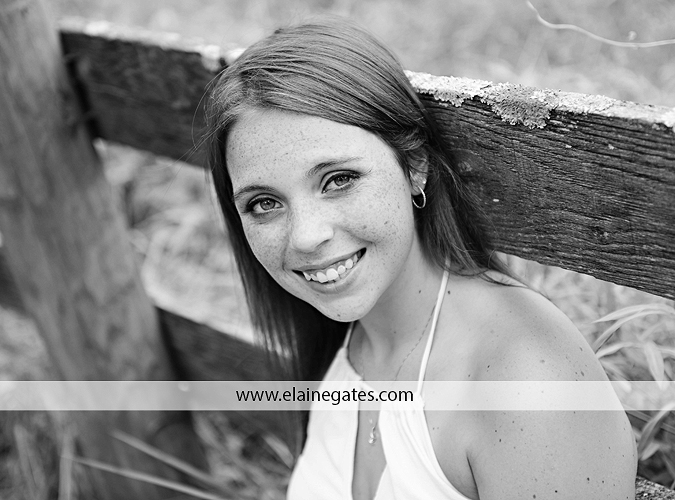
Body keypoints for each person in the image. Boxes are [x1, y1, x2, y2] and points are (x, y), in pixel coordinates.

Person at [204, 17, 637, 500]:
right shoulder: (352, 341)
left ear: (415, 165)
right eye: (265, 203)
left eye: (339, 180)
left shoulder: (526, 379)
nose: (306, 237)